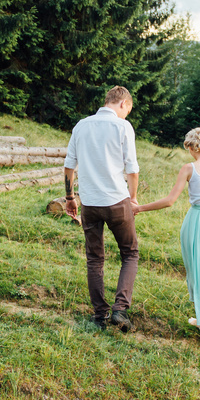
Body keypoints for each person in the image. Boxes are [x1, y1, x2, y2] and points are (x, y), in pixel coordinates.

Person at [133, 127, 200, 364]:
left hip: (194, 224)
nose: (190, 153)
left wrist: (140, 208)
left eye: (189, 148)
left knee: (198, 273)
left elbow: (170, 201)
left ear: (193, 147)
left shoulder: (188, 169)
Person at [64, 86, 140, 332]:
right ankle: (120, 309)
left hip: (90, 203)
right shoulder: (122, 127)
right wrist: (133, 198)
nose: (126, 115)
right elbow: (132, 170)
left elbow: (69, 167)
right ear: (122, 104)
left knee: (94, 259)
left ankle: (99, 316)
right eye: (127, 110)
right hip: (117, 201)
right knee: (129, 253)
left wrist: (70, 197)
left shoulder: (81, 125)